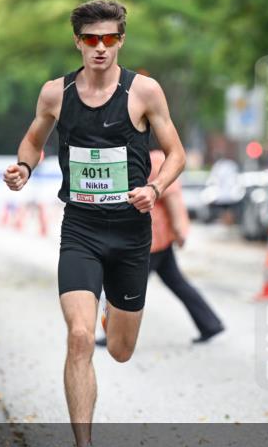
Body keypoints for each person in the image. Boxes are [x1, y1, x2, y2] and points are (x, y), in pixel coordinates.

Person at [2, 0, 185, 447]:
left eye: (109, 39)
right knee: (80, 338)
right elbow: (32, 142)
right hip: (80, 230)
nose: (100, 48)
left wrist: (155, 188)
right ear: (78, 42)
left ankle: (112, 312)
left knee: (120, 350)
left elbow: (176, 152)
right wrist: (23, 168)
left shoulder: (143, 92)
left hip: (129, 235)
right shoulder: (56, 94)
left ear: (120, 40)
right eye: (91, 39)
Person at [96, 143, 225, 348]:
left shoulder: (155, 160)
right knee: (177, 283)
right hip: (154, 241)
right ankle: (210, 324)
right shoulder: (142, 157)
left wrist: (179, 229)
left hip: (151, 241)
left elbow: (172, 196)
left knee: (124, 287)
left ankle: (115, 334)